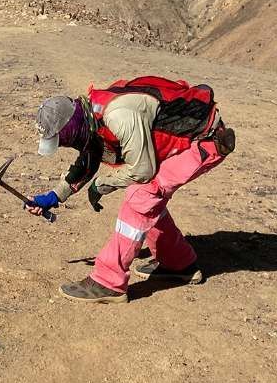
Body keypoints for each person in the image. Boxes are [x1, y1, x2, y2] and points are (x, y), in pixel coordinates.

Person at [28, 77, 236, 303]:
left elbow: (143, 170)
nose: (64, 146)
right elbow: (89, 156)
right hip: (188, 141)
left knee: (142, 194)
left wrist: (102, 184)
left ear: (71, 129)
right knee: (149, 199)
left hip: (205, 141)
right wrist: (54, 196)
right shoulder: (90, 115)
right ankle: (179, 263)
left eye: (62, 141)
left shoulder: (118, 115)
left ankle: (108, 282)